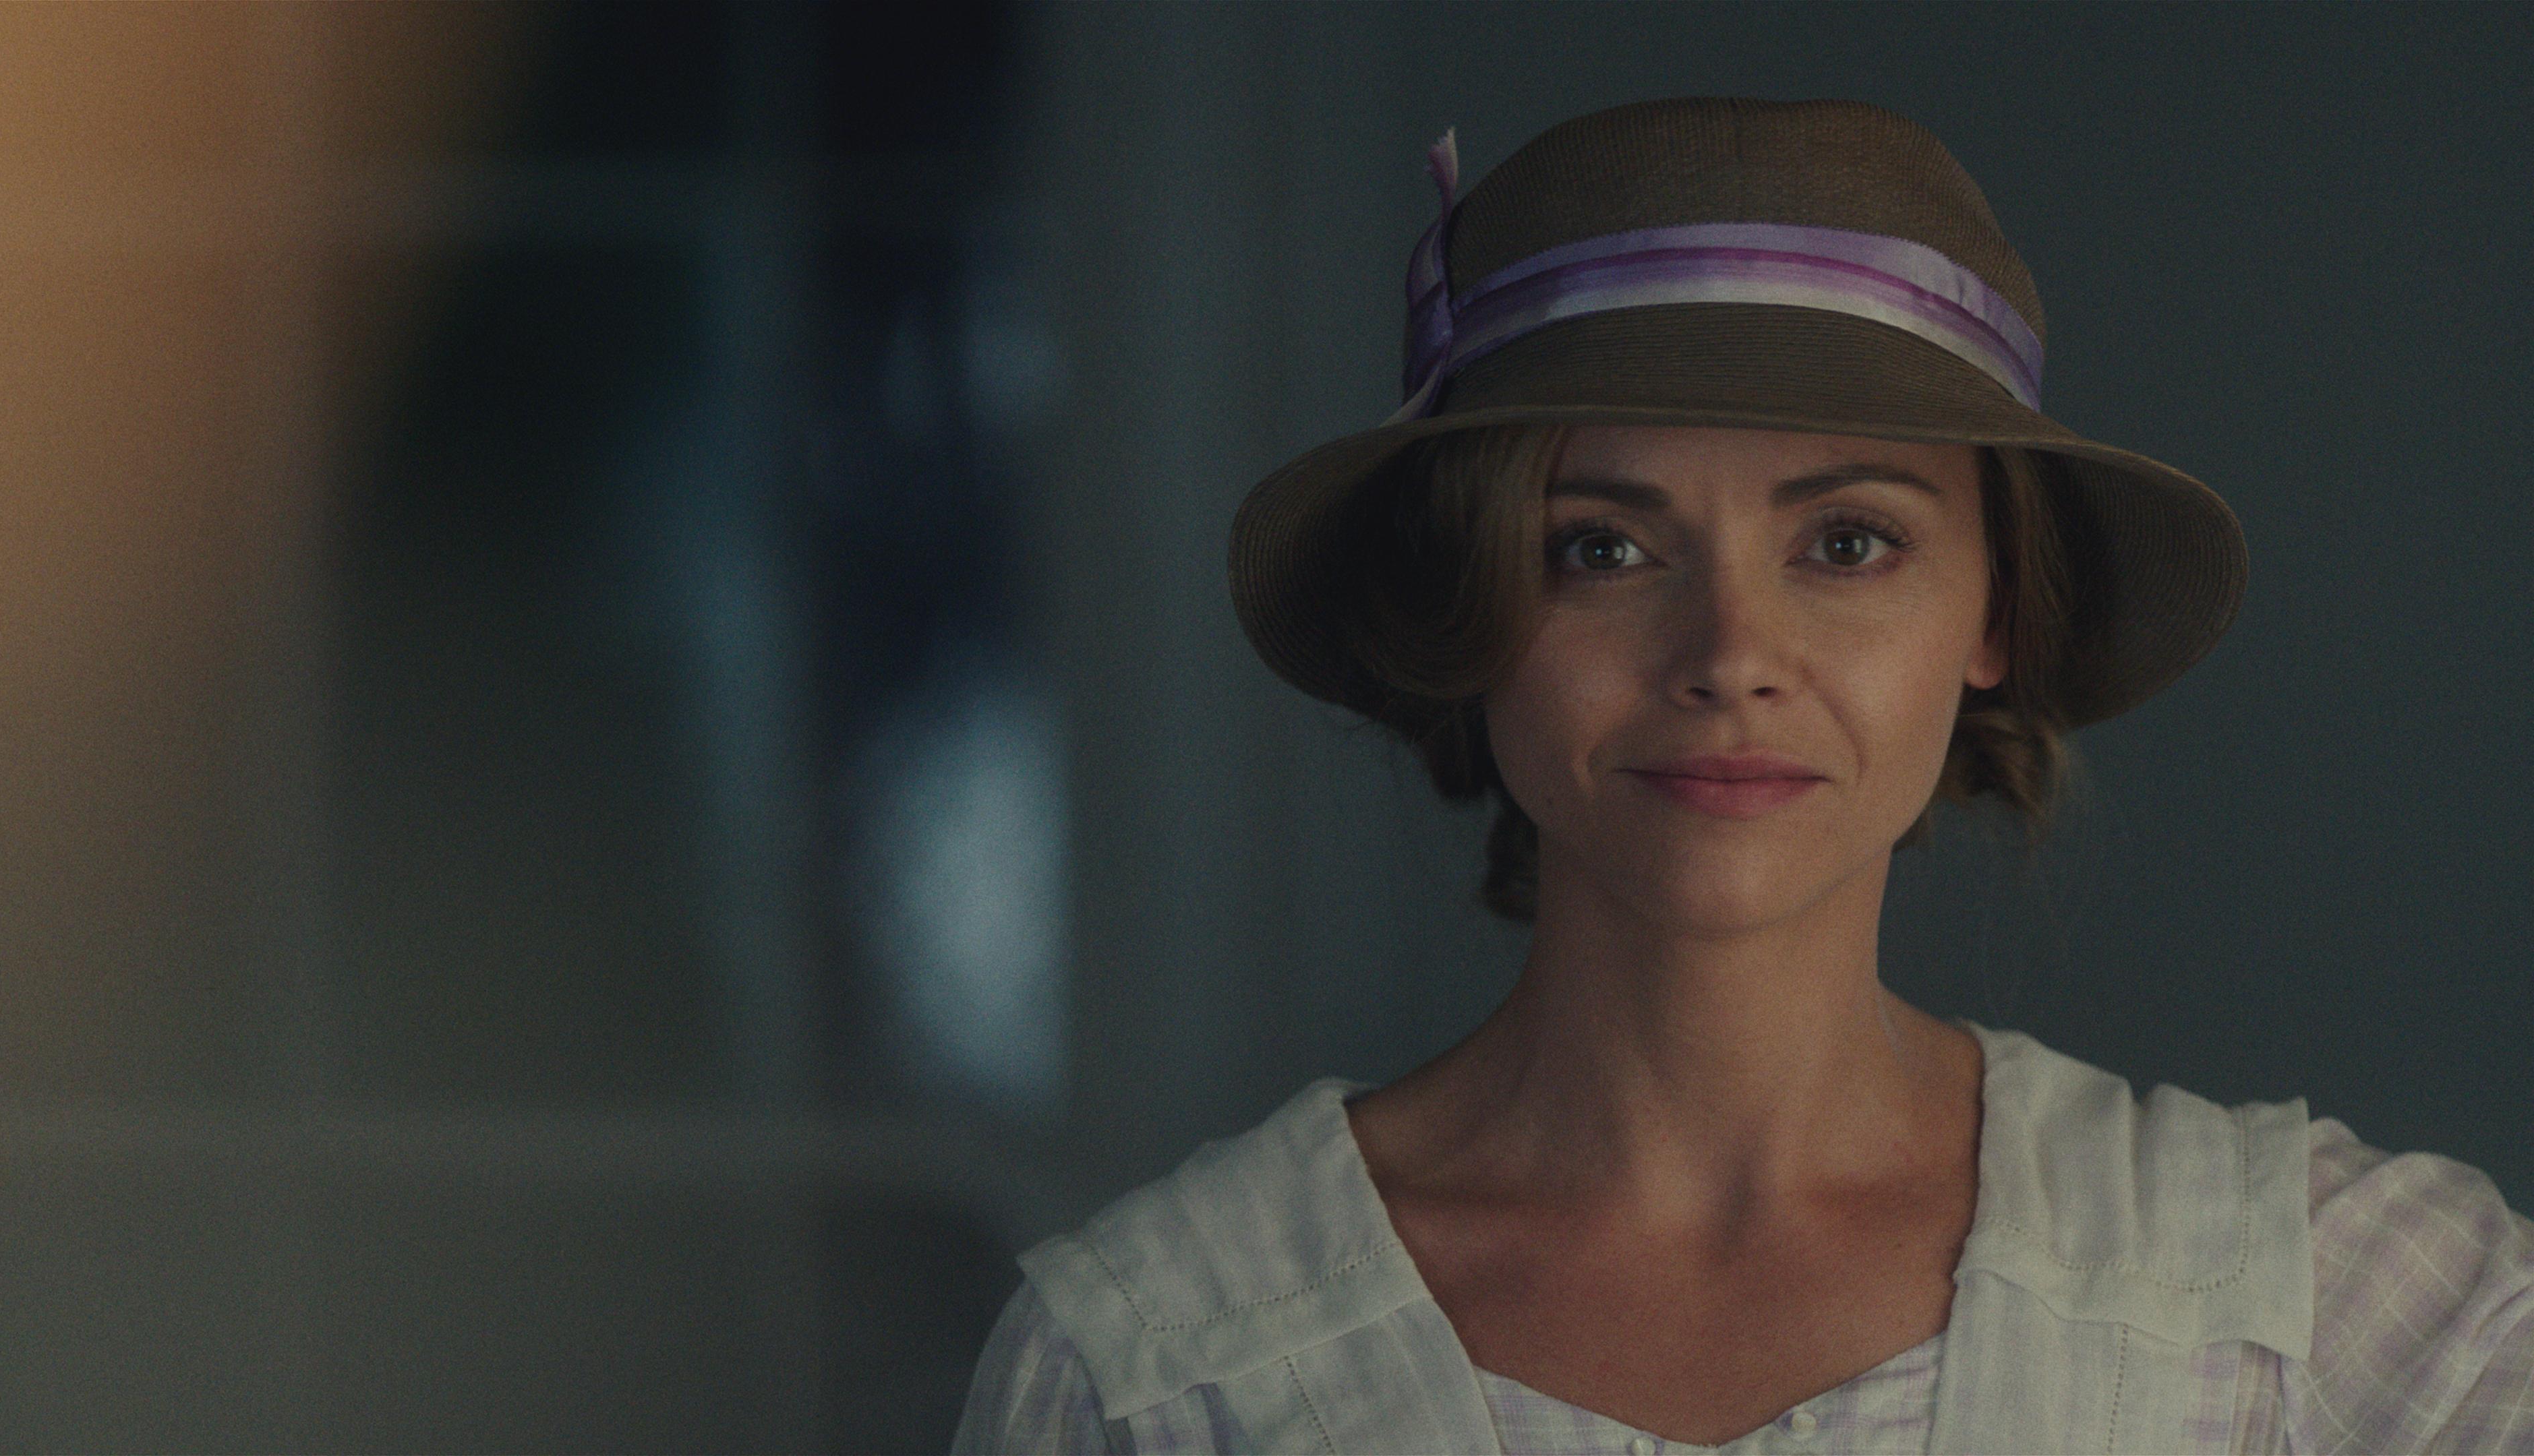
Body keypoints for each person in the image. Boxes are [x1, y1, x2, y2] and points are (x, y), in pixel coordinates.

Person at [951, 96, 2534, 1455]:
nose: (1730, 655)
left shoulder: (2354, 1322)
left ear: (1993, 609)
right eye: (1601, 547)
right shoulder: (1153, 1368)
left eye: (1847, 542)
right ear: (1470, 605)